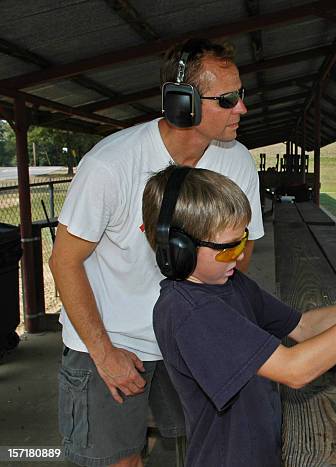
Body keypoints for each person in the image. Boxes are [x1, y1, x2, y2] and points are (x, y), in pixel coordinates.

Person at [49, 38, 263, 467]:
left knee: (210, 452)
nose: (242, 108)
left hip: (187, 338)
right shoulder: (111, 165)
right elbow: (63, 260)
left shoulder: (237, 161)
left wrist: (216, 332)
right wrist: (104, 352)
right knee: (119, 460)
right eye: (228, 99)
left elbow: (242, 252)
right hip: (112, 340)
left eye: (241, 95)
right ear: (183, 103)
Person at [141, 165, 336, 467]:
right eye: (228, 249)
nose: (240, 255)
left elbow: (304, 326)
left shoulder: (228, 283)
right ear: (179, 249)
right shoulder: (190, 312)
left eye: (242, 242)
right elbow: (295, 370)